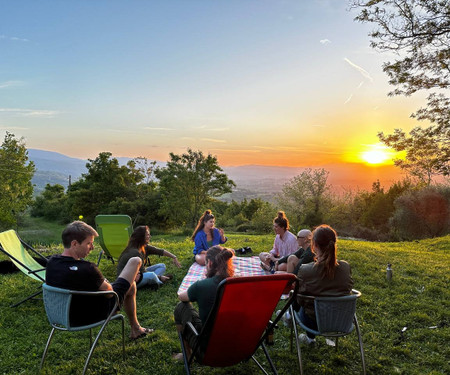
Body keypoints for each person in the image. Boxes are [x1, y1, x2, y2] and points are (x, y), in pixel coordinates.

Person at [45, 221, 152, 340]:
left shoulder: (52, 262)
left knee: (131, 286)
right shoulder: (87, 268)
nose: (92, 247)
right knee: (135, 261)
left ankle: (136, 328)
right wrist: (105, 281)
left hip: (62, 315)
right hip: (90, 314)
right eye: (88, 243)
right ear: (74, 244)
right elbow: (109, 293)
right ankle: (136, 329)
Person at [294, 224, 353, 345]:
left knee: (296, 303)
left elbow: (299, 300)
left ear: (314, 244)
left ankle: (309, 337)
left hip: (314, 323)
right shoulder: (345, 267)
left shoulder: (306, 270)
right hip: (341, 320)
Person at [173, 246, 235, 361]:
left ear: (210, 263)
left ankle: (187, 355)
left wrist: (197, 290)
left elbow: (181, 297)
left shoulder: (202, 286)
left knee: (181, 307)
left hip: (208, 352)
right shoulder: (239, 284)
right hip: (238, 348)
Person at [117, 225, 181, 289]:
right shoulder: (134, 252)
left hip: (138, 275)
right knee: (151, 275)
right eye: (147, 235)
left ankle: (152, 281)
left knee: (161, 266)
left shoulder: (144, 247)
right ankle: (159, 282)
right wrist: (160, 277)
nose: (150, 236)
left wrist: (174, 257)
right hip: (128, 281)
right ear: (141, 237)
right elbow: (143, 272)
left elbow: (160, 251)